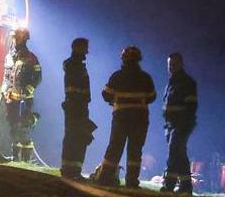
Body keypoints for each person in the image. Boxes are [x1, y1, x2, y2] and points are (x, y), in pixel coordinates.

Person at [91, 45, 156, 188]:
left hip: (121, 117)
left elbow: (105, 94)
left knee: (115, 147)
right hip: (140, 119)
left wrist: (115, 100)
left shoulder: (117, 76)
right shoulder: (146, 78)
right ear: (138, 60)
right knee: (135, 150)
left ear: (123, 59)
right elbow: (152, 97)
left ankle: (105, 178)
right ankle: (132, 181)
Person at [2, 27, 43, 163]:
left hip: (25, 98)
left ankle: (26, 159)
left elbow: (38, 76)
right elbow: (6, 76)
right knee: (13, 126)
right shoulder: (9, 57)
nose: (14, 40)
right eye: (14, 38)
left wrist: (30, 88)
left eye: (17, 38)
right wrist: (5, 91)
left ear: (24, 39)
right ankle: (15, 157)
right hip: (11, 98)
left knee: (24, 126)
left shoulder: (31, 57)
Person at [161, 51, 199, 194]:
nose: (171, 67)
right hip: (171, 124)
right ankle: (185, 185)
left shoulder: (187, 82)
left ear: (181, 64)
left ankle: (169, 185)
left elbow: (191, 106)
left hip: (181, 123)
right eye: (170, 64)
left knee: (173, 152)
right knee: (180, 154)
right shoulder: (172, 82)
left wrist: (182, 124)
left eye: (174, 64)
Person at [60, 37, 96, 179]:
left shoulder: (76, 65)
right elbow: (75, 89)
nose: (87, 52)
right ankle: (71, 170)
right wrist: (80, 102)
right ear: (78, 48)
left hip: (77, 105)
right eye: (85, 48)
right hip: (77, 106)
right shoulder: (75, 66)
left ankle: (72, 169)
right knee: (76, 137)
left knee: (77, 137)